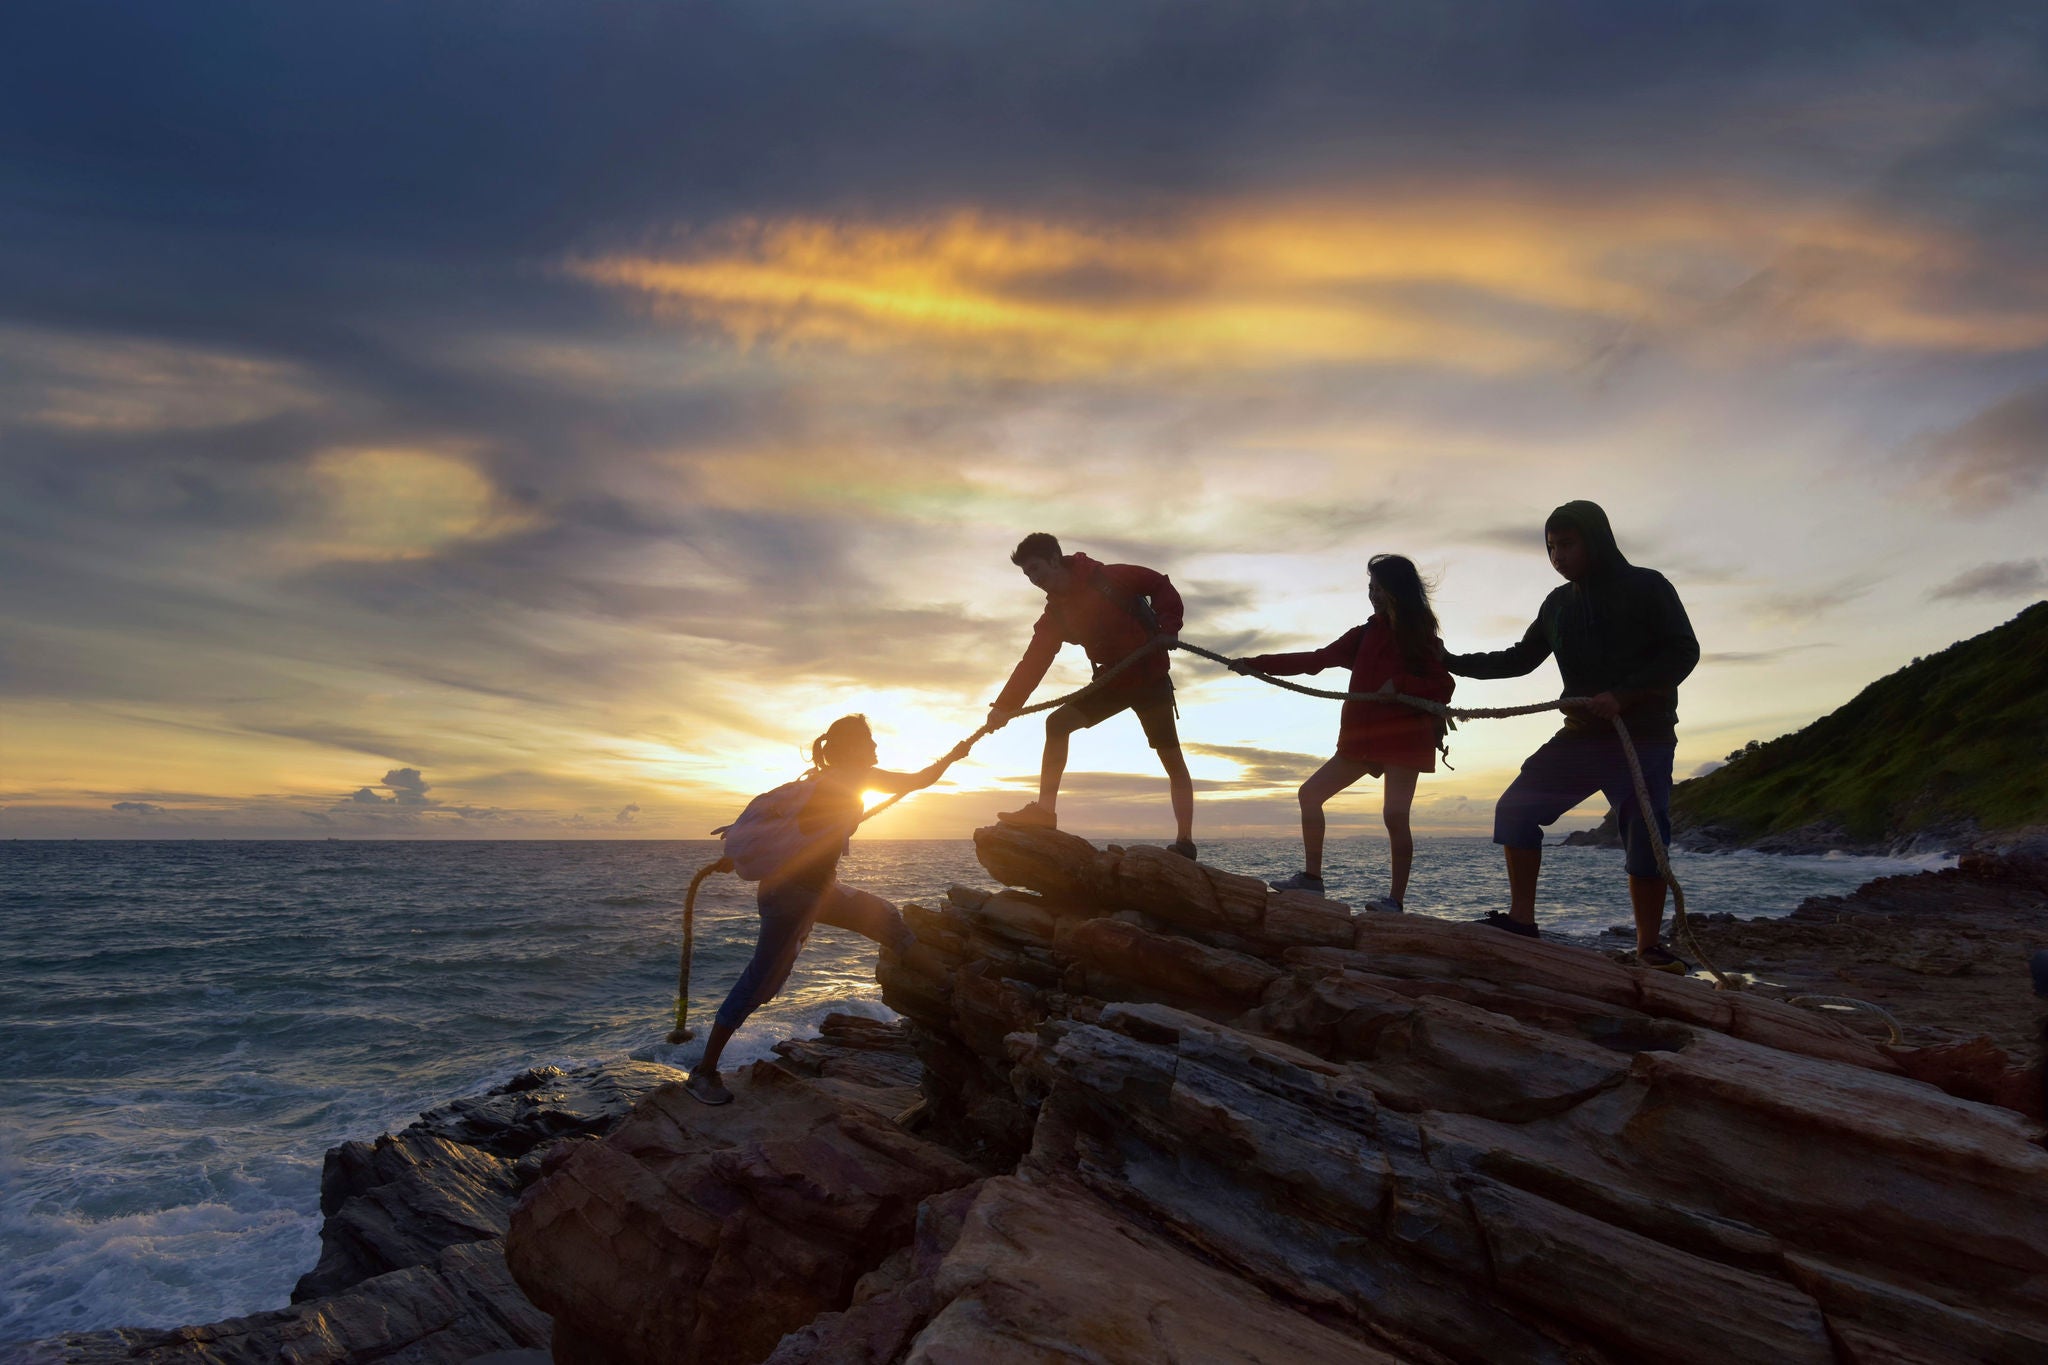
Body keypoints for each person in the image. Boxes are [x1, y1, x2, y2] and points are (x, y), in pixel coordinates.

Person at [1443, 500, 1699, 970]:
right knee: (1516, 809)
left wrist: (1624, 695)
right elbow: (1518, 659)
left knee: (1646, 837)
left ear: (1595, 540)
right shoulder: (1557, 605)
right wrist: (1451, 661)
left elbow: (1684, 651)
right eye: (1550, 547)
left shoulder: (1647, 586)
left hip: (1642, 736)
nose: (1557, 555)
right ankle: (1522, 921)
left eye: (1566, 544)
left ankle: (1648, 948)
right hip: (1581, 736)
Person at [686, 715, 968, 1104]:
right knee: (760, 982)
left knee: (885, 918)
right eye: (869, 742)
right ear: (851, 748)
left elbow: (791, 836)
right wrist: (955, 755)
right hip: (790, 897)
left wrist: (736, 857)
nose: (875, 749)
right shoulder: (845, 782)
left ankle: (951, 984)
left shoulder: (830, 782)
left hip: (815, 891)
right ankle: (703, 1073)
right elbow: (917, 780)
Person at [1234, 554, 1453, 912]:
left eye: (1380, 588)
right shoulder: (1364, 634)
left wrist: (1398, 684)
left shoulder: (1421, 637)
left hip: (1404, 738)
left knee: (1395, 815)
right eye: (1370, 588)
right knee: (1310, 795)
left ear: (1398, 590)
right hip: (1361, 740)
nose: (1373, 595)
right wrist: (1258, 666)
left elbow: (1444, 686)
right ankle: (1312, 881)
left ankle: (1395, 902)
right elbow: (1316, 659)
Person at [985, 532, 1195, 857]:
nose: (1034, 580)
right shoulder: (1056, 615)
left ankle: (1184, 844)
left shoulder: (1110, 577)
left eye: (1037, 569)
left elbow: (1160, 585)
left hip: (1150, 678)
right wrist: (1004, 707)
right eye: (1028, 575)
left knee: (1171, 758)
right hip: (1112, 682)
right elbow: (1034, 661)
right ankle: (1045, 813)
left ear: (1055, 559)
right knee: (1057, 724)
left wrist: (1169, 627)